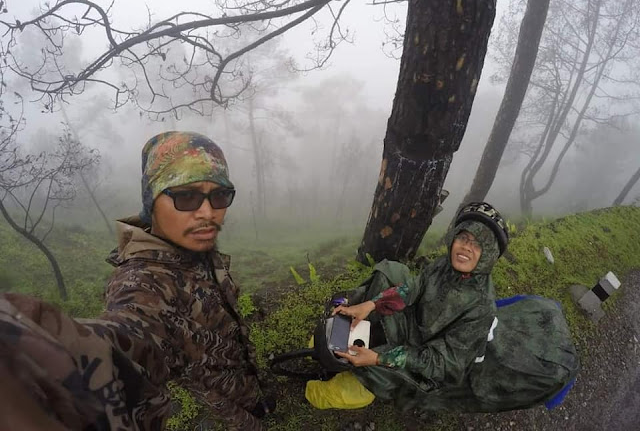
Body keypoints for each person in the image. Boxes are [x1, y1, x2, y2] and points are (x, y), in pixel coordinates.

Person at [0, 131, 273, 430]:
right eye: (186, 196)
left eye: (220, 195)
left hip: (241, 371)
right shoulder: (142, 282)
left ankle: (260, 403)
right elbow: (124, 337)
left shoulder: (191, 245)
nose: (208, 213)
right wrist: (30, 362)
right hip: (222, 403)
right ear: (152, 200)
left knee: (258, 401)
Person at [306, 202, 578, 413]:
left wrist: (378, 359)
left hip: (423, 359)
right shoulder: (444, 265)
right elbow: (415, 287)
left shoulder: (481, 308)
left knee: (355, 384)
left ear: (489, 254)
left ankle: (312, 389)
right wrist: (371, 304)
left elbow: (440, 364)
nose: (465, 249)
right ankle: (341, 323)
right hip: (412, 324)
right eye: (463, 239)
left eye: (477, 245)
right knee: (391, 270)